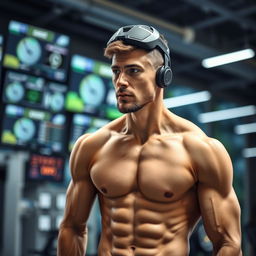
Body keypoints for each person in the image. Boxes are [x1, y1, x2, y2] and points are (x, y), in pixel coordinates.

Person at [57, 25, 242, 256]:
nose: (121, 82)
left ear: (163, 76)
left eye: (133, 71)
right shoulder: (92, 147)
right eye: (116, 71)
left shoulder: (200, 150)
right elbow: (72, 228)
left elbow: (227, 243)